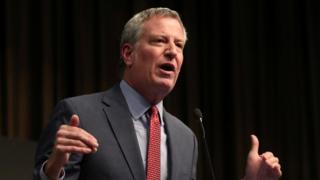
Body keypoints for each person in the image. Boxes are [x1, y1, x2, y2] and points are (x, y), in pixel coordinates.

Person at [33, 7, 282, 180]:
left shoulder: (186, 138)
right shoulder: (81, 114)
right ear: (128, 54)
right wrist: (54, 169)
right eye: (160, 41)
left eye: (179, 45)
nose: (172, 51)